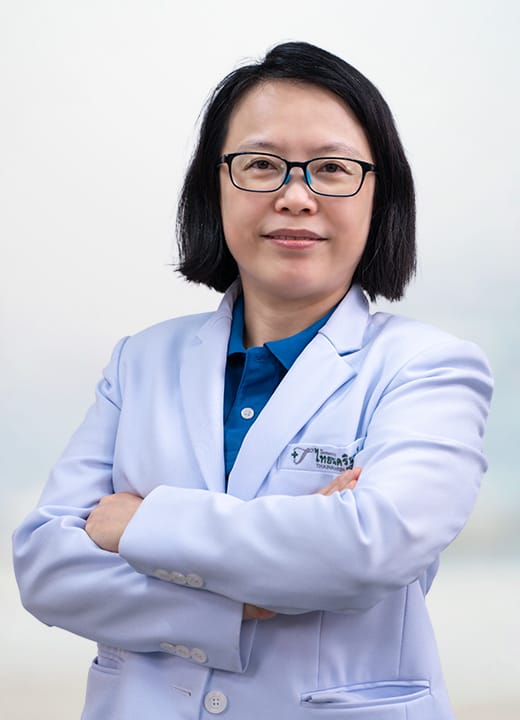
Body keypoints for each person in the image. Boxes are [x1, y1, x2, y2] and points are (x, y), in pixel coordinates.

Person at [13, 41, 492, 720]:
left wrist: (140, 522)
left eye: (331, 169)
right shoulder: (140, 360)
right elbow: (46, 567)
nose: (295, 196)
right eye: (262, 165)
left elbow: (366, 548)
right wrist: (240, 601)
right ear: (214, 185)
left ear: (380, 196)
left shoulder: (430, 368)